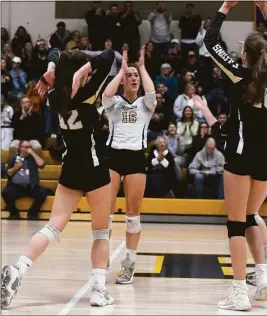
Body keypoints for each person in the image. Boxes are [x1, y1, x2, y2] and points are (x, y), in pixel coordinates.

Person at [1, 48, 116, 309]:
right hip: (95, 168)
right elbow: (109, 57)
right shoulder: (87, 93)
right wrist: (86, 69)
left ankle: (19, 269)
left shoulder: (54, 96)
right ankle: (98, 290)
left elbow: (54, 52)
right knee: (100, 232)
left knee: (52, 228)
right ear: (79, 72)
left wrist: (52, 69)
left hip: (70, 169)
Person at [203, 1, 267, 310]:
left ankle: (239, 293)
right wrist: (265, 9)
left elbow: (210, 41)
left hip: (240, 157)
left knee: (236, 224)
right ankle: (262, 274)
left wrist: (226, 6)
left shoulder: (239, 75)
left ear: (245, 56)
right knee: (253, 216)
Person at [102, 46, 156, 284]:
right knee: (106, 213)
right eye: (129, 76)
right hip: (113, 158)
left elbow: (152, 93)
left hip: (135, 159)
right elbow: (105, 95)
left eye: (136, 77)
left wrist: (141, 68)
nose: (133, 79)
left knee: (133, 216)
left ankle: (128, 263)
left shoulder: (145, 103)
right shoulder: (114, 103)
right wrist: (121, 71)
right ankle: (101, 258)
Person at [2, 140, 48, 220]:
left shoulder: (32, 158)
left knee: (42, 194)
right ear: (20, 148)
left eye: (30, 147)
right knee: (6, 193)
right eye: (26, 147)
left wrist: (33, 153)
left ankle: (32, 214)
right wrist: (15, 168)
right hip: (16, 187)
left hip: (31, 187)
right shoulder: (14, 158)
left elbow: (42, 165)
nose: (28, 149)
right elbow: (8, 173)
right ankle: (14, 213)